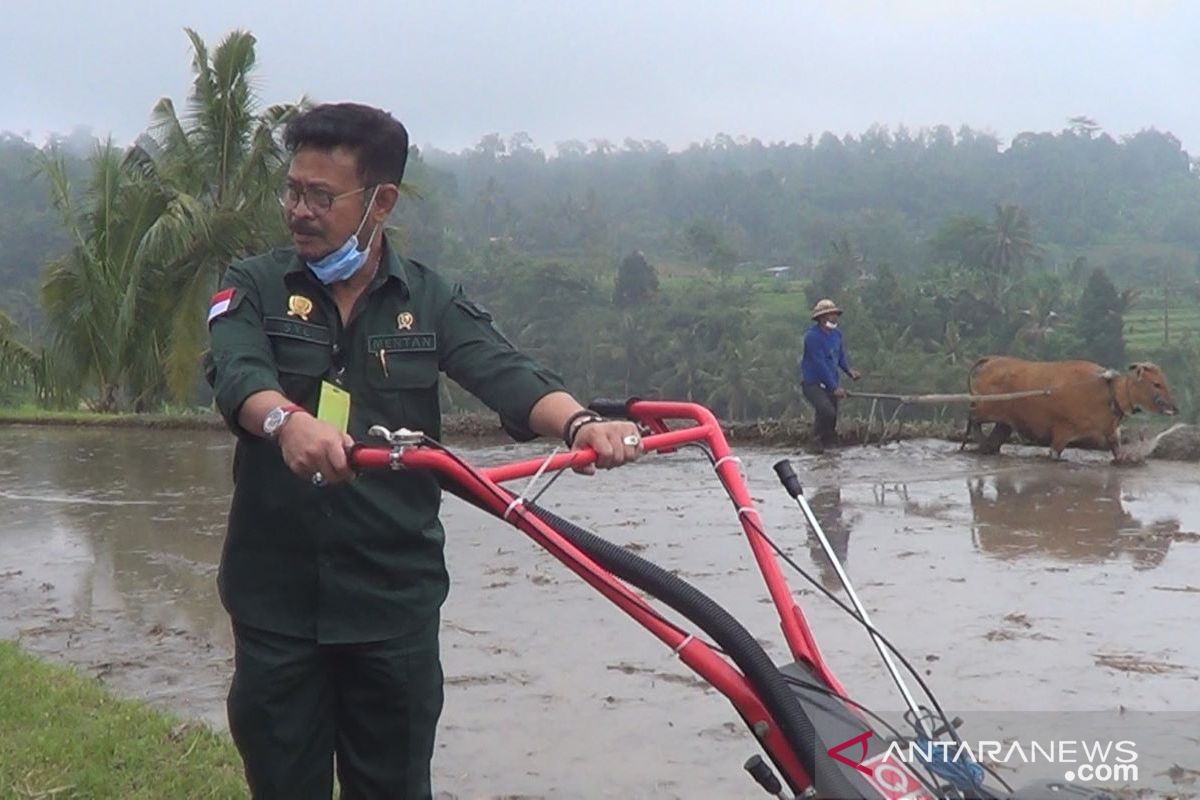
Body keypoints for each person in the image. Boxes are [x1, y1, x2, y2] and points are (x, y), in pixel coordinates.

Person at [204, 102, 641, 800]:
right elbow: (237, 372)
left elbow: (506, 372)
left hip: (392, 607)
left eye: (322, 196)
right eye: (293, 191)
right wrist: (286, 420)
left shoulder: (427, 299)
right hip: (276, 607)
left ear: (381, 201)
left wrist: (582, 424)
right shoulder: (254, 284)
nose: (300, 211)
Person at [799, 298, 861, 451]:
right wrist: (833, 387)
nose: (833, 318)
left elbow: (839, 357)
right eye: (830, 315)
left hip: (831, 381)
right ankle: (815, 443)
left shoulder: (837, 335)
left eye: (834, 315)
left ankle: (829, 447)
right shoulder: (812, 337)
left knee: (832, 416)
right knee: (826, 410)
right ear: (821, 318)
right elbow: (819, 364)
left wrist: (849, 371)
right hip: (813, 383)